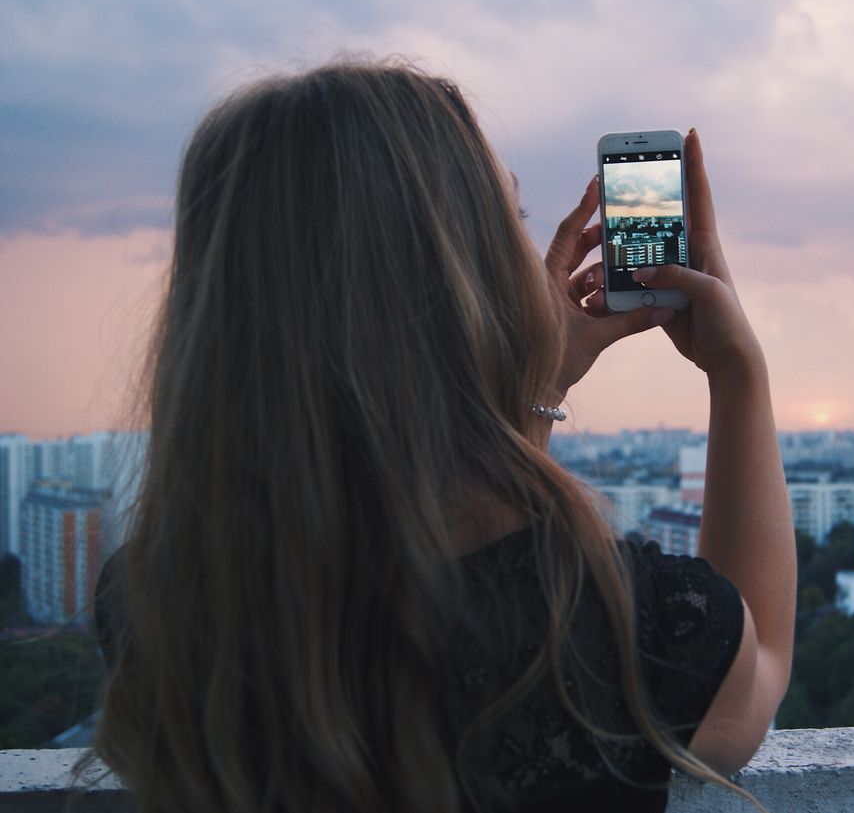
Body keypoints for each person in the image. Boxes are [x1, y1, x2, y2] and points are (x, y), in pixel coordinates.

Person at [88, 60, 796, 812]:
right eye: (512, 223)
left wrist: (537, 393)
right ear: (465, 282)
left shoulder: (153, 605)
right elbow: (758, 663)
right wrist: (735, 369)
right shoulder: (617, 623)